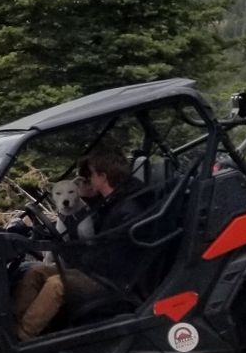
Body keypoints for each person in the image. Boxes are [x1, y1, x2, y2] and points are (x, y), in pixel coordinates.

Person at [10, 145, 146, 340]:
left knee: (55, 284)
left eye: (90, 175)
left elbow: (113, 257)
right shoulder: (107, 203)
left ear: (102, 176)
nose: (88, 180)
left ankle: (23, 337)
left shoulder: (126, 208)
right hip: (96, 267)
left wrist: (74, 254)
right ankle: (11, 326)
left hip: (112, 279)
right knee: (35, 272)